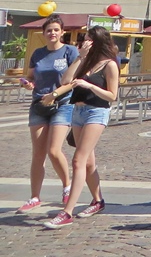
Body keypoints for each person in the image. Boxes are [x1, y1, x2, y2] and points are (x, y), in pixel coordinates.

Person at [41, 26, 120, 228]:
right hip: (77, 111)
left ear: (98, 41)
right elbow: (65, 81)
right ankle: (98, 200)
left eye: (88, 40)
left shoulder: (109, 65)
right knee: (88, 163)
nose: (84, 43)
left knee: (78, 160)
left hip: (96, 111)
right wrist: (79, 58)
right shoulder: (86, 62)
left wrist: (91, 86)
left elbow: (112, 96)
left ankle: (67, 212)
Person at [17, 14, 78, 214]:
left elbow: (72, 81)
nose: (52, 33)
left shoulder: (70, 51)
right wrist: (27, 83)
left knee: (53, 150)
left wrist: (54, 94)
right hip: (39, 104)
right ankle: (35, 197)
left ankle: (67, 186)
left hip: (62, 103)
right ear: (43, 33)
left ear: (62, 32)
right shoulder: (38, 54)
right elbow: (31, 76)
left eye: (55, 30)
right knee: (38, 153)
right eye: (48, 30)